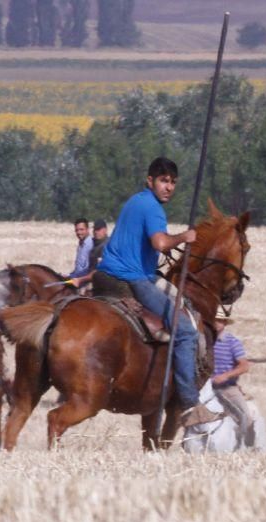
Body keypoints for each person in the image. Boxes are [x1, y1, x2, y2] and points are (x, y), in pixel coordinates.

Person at [95, 156, 218, 428]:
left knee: (179, 300)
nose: (169, 187)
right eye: (163, 180)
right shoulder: (152, 208)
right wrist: (183, 238)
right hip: (131, 279)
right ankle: (189, 403)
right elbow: (160, 243)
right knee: (185, 330)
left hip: (113, 273)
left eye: (173, 182)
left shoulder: (136, 201)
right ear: (149, 181)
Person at [211, 306, 256, 448]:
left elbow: (244, 366)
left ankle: (247, 446)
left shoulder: (232, 342)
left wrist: (225, 376)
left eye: (220, 320)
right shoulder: (202, 340)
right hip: (204, 388)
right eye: (214, 320)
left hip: (227, 388)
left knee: (246, 417)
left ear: (225, 323)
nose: (217, 323)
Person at [71, 219, 109, 288]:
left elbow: (97, 271)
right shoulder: (93, 243)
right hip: (85, 280)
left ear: (105, 230)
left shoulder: (105, 246)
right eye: (94, 229)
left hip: (93, 283)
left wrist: (79, 280)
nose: (96, 232)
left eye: (98, 229)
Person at [67, 218, 94, 283]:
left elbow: (87, 270)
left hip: (85, 283)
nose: (79, 232)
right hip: (77, 280)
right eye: (76, 230)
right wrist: (69, 275)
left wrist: (75, 278)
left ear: (87, 230)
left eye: (81, 230)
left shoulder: (91, 245)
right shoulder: (81, 245)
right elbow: (79, 268)